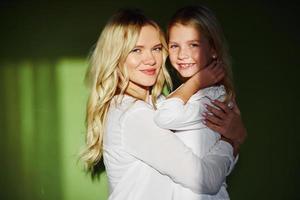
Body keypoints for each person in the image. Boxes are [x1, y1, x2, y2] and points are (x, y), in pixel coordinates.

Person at [81, 9, 247, 200]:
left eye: (157, 48)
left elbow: (210, 158)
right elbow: (206, 180)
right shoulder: (134, 115)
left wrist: (231, 139)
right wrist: (232, 140)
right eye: (136, 50)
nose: (150, 59)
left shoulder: (159, 103)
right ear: (116, 56)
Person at [153, 5, 243, 199]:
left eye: (193, 45)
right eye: (174, 45)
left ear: (213, 50)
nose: (182, 55)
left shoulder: (214, 97)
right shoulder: (186, 95)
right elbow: (223, 159)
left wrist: (195, 81)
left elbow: (164, 117)